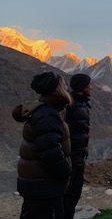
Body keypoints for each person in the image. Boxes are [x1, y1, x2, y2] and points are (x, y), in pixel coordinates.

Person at [12, 71, 73, 219]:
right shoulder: (47, 115)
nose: (66, 86)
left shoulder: (46, 112)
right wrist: (66, 171)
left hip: (38, 184)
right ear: (56, 90)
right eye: (63, 83)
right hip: (45, 185)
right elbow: (50, 152)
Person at [63, 73, 92, 219]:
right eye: (89, 84)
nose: (91, 87)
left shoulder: (81, 102)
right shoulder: (70, 103)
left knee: (74, 193)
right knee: (67, 194)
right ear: (83, 87)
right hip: (71, 157)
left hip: (79, 156)